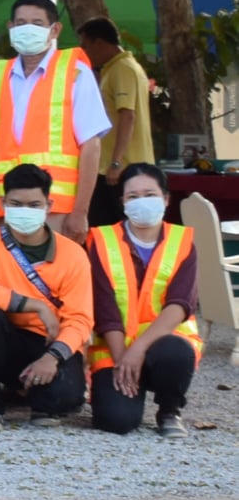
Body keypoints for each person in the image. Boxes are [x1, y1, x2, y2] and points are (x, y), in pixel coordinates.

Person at [0, 162, 95, 430]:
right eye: (16, 204)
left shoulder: (73, 254)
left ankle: (36, 396)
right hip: (5, 340)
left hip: (49, 342)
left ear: (49, 205)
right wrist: (35, 306)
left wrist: (53, 357)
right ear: (3, 203)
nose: (25, 211)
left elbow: (80, 320)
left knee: (66, 399)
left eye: (34, 205)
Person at [0, 0, 109, 242]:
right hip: (6, 206)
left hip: (56, 207)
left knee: (52, 267)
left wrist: (81, 212)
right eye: (21, 23)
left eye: (37, 23)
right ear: (10, 27)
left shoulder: (75, 72)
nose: (28, 29)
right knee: (8, 268)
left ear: (54, 30)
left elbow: (91, 145)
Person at [87, 163, 200, 438]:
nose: (142, 202)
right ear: (123, 202)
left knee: (176, 352)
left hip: (163, 345)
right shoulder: (101, 240)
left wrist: (138, 349)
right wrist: (122, 360)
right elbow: (105, 309)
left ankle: (169, 410)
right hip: (114, 349)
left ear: (166, 199)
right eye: (133, 196)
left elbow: (179, 305)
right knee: (116, 421)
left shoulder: (183, 242)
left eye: (150, 195)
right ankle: (127, 391)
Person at [77, 18, 154, 228]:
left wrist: (116, 162)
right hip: (116, 165)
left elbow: (127, 115)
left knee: (110, 227)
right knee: (105, 228)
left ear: (100, 43)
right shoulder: (117, 68)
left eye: (86, 46)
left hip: (122, 167)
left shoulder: (123, 68)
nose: (84, 52)